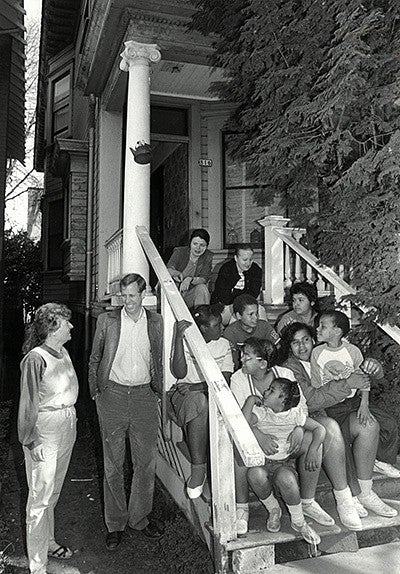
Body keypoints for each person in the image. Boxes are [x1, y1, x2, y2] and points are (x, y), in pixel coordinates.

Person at [231, 337, 363, 535]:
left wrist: (299, 429)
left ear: (263, 363)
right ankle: (242, 509)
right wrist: (258, 434)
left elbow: (300, 407)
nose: (241, 359)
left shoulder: (284, 375)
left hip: (289, 435)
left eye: (246, 357)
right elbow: (239, 419)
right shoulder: (238, 379)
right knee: (236, 448)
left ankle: (312, 501)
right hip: (260, 438)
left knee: (323, 433)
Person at [281, 321, 398, 520]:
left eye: (306, 340)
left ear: (314, 340)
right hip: (317, 416)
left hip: (342, 408)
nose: (302, 347)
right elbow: (311, 401)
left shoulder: (327, 353)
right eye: (295, 343)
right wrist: (347, 383)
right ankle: (349, 496)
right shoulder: (291, 368)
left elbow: (360, 370)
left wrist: (374, 368)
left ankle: (366, 491)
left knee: (369, 424)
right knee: (334, 432)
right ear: (289, 347)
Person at [88, 273, 163, 551]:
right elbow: (95, 357)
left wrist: (158, 392)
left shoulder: (155, 322)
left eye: (133, 295)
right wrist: (96, 391)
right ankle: (115, 523)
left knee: (145, 463)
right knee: (113, 465)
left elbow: (159, 358)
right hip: (113, 396)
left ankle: (139, 518)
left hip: (144, 395)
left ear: (143, 295)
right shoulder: (107, 321)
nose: (128, 301)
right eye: (124, 296)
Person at [18, 303, 78, 574]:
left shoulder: (62, 351)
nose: (71, 326)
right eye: (67, 323)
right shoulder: (35, 358)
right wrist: (32, 441)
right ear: (53, 327)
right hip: (45, 430)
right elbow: (28, 404)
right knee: (39, 499)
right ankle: (37, 566)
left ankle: (49, 543)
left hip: (66, 423)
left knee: (52, 493)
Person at [242, 377, 324, 545]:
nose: (265, 392)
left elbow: (319, 429)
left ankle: (299, 521)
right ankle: (274, 509)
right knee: (254, 474)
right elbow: (242, 425)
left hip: (282, 464)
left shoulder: (295, 415)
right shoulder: (262, 412)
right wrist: (250, 402)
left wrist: (313, 450)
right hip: (262, 463)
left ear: (283, 400)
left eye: (271, 390)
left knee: (287, 480)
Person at [169, 305, 233, 499]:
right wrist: (178, 339)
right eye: (216, 325)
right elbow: (180, 374)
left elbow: (225, 379)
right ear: (203, 328)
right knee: (199, 402)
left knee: (203, 400)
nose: (222, 328)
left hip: (208, 392)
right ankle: (199, 469)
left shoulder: (223, 344)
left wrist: (196, 387)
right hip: (184, 395)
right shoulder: (187, 342)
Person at [211, 243, 266, 325]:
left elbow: (253, 294)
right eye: (244, 260)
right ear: (236, 258)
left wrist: (236, 293)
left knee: (260, 310)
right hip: (225, 308)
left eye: (250, 259)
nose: (248, 263)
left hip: (247, 306)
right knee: (239, 313)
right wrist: (240, 299)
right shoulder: (226, 269)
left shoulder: (256, 270)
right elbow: (224, 297)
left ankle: (266, 335)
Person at [223, 294, 280, 370]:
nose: (255, 317)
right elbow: (231, 361)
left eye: (256, 313)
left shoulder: (265, 326)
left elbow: (278, 347)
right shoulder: (230, 332)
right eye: (251, 314)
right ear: (238, 316)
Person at [167, 228, 213, 308]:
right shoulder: (180, 252)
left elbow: (204, 278)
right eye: (195, 244)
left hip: (190, 295)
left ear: (206, 246)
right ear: (190, 243)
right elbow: (169, 269)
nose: (198, 248)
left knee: (202, 288)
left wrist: (190, 279)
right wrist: (177, 273)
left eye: (202, 245)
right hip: (174, 293)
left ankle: (202, 317)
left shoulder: (207, 256)